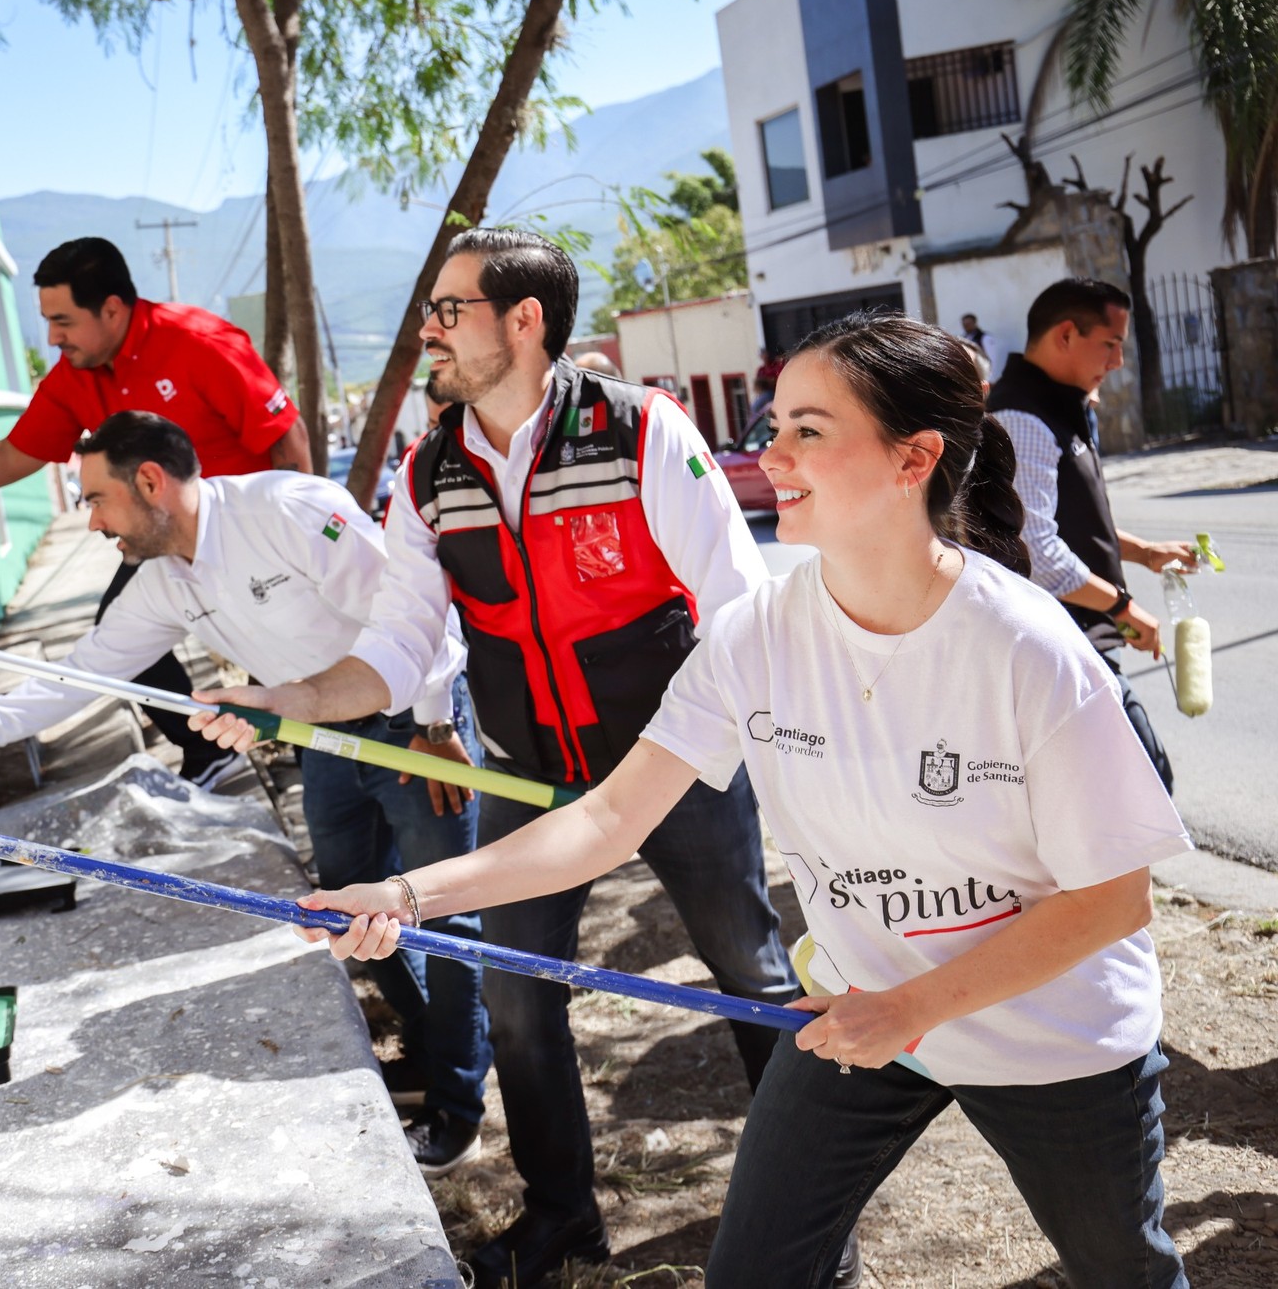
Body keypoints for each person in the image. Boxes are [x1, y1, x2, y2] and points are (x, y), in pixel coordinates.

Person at [300, 313, 1193, 1289]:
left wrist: (909, 1007)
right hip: (865, 1017)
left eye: (807, 429)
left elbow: (1112, 902)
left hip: (1045, 1033)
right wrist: (404, 895)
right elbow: (605, 818)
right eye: (772, 425)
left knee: (1123, 1272)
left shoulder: (1025, 649)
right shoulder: (754, 634)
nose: (768, 453)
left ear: (914, 457)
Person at [194, 228, 806, 1288]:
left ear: (522, 321)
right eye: (428, 308)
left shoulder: (641, 431)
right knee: (518, 1002)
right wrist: (289, 700)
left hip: (678, 764)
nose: (426, 327)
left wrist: (685, 758)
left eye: (448, 307)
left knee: (749, 982)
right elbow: (398, 645)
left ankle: (807, 1228)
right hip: (525, 776)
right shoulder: (427, 472)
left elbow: (736, 612)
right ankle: (562, 1216)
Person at [0, 411, 493, 1175]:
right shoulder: (164, 581)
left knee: (437, 913)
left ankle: (460, 1111)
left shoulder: (289, 511)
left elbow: (421, 618)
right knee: (347, 905)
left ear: (151, 481)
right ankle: (437, 1054)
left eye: (97, 499)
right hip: (321, 741)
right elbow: (82, 673)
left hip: (414, 728)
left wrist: (433, 721)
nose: (92, 522)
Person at [0, 238, 311, 786]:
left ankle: (289, 750)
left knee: (296, 668)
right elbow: (13, 454)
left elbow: (286, 438)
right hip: (165, 544)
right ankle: (208, 750)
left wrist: (295, 545)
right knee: (117, 641)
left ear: (112, 309)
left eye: (63, 321)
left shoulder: (199, 343)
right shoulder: (73, 374)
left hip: (254, 539)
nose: (52, 337)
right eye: (48, 323)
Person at [986, 279, 1196, 792]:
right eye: (1110, 343)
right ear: (1065, 334)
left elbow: (1067, 522)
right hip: (1061, 645)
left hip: (1080, 639)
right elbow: (1035, 549)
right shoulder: (1023, 418)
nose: (1119, 361)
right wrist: (1123, 608)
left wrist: (1144, 552)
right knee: (1146, 787)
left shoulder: (1059, 406)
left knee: (1126, 797)